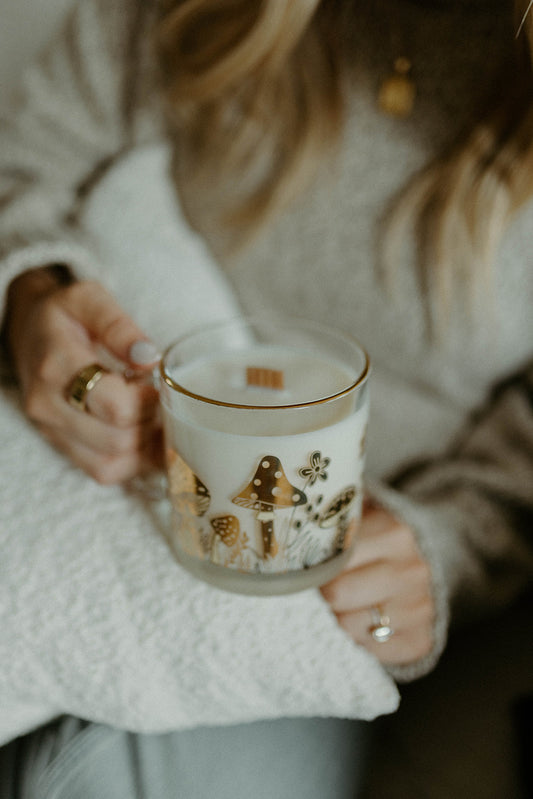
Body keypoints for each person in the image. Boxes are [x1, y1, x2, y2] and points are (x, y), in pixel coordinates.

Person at [0, 0, 532, 796]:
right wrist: (33, 292)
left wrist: (445, 544)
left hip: (328, 584)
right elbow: (33, 156)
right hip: (102, 482)